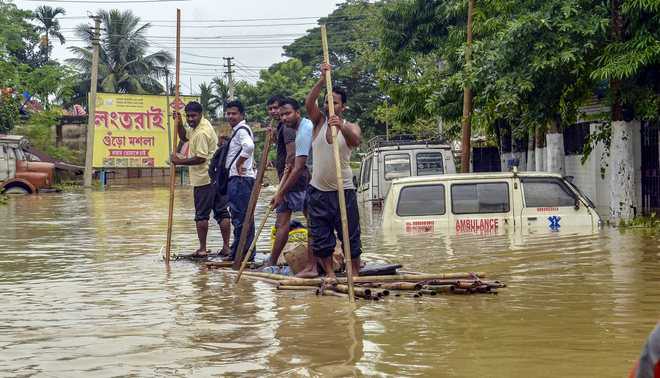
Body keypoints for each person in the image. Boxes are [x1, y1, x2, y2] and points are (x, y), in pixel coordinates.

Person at [302, 63, 362, 279]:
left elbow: (355, 141)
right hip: (319, 191)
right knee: (321, 235)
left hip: (343, 190)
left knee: (350, 234)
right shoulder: (318, 121)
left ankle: (353, 271)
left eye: (334, 103)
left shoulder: (351, 125)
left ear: (342, 106)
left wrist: (341, 126)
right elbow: (309, 103)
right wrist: (321, 79)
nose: (330, 106)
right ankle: (329, 273)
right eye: (327, 102)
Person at [171, 101, 230, 257]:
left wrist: (179, 162)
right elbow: (184, 137)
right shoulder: (200, 126)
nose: (190, 119)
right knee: (222, 213)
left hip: (204, 178)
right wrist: (179, 124)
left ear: (200, 114)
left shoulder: (201, 132)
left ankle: (203, 249)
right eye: (188, 116)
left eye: (193, 116)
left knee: (202, 215)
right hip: (216, 177)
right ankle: (226, 247)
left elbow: (200, 158)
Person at [269, 97, 313, 266]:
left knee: (283, 222)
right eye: (281, 115)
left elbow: (294, 159)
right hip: (298, 179)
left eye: (287, 113)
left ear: (297, 113)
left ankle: (272, 261)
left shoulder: (293, 130)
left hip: (295, 180)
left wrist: (281, 192)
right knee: (313, 219)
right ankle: (319, 258)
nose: (283, 117)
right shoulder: (287, 127)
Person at [224, 100, 256, 262]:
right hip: (242, 179)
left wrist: (238, 163)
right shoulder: (239, 131)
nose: (230, 116)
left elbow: (249, 147)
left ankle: (240, 253)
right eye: (228, 113)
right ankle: (244, 252)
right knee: (244, 217)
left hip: (240, 179)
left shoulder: (242, 130)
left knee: (240, 217)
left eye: (234, 113)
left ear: (242, 115)